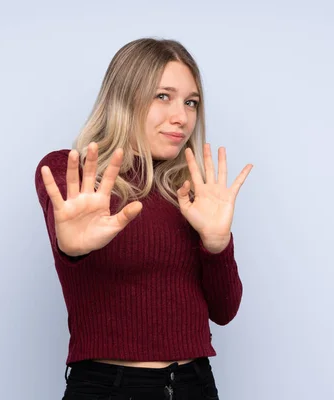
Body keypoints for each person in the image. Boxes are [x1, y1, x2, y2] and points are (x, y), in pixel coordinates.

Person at [35, 38, 253, 400]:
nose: (181, 117)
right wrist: (72, 250)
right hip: (110, 388)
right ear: (124, 96)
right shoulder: (72, 173)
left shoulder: (191, 192)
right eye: (162, 96)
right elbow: (71, 245)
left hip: (195, 384)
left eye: (191, 102)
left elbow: (225, 311)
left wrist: (218, 245)